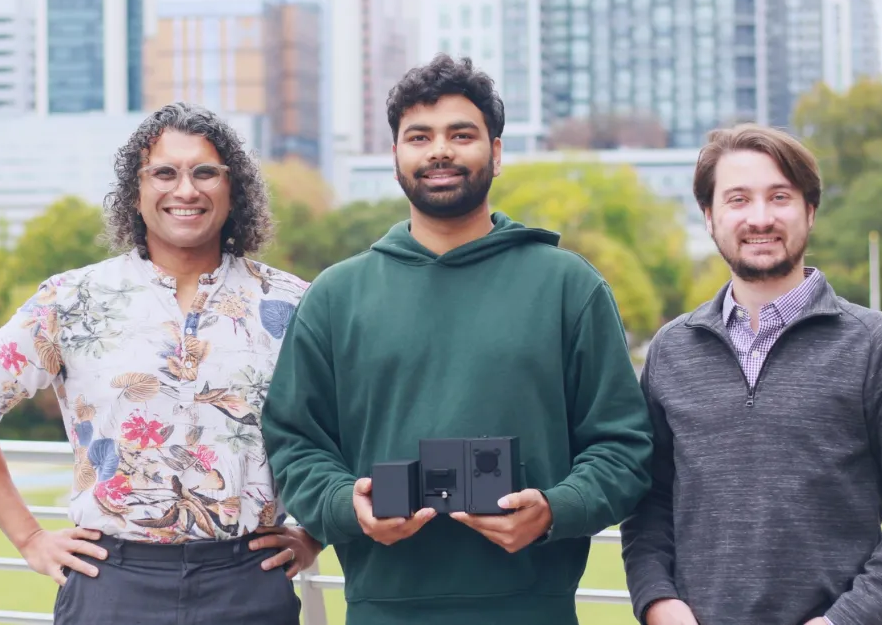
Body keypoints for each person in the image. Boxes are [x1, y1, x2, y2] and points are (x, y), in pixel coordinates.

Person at [259, 53, 654, 625]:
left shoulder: (569, 286)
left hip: (534, 612)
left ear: (496, 152)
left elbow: (624, 446)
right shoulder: (336, 296)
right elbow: (295, 441)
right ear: (395, 155)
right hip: (381, 611)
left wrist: (555, 508)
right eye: (419, 136)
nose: (439, 150)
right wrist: (347, 505)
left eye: (461, 135)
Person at [0, 102, 321, 625]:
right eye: (163, 173)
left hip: (248, 583)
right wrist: (29, 538)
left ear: (233, 190)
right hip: (111, 584)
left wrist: (313, 534)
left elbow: (349, 423)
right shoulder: (72, 300)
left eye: (205, 172)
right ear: (135, 193)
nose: (186, 190)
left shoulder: (293, 304)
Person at [621, 123, 882, 625]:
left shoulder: (877, 345)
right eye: (738, 199)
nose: (760, 217)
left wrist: (845, 620)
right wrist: (657, 602)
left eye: (779, 197)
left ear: (810, 210)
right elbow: (649, 501)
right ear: (709, 215)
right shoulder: (672, 349)